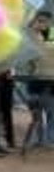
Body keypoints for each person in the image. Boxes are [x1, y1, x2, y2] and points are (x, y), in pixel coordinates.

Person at [23, 10, 54, 147]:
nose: (42, 23)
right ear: (35, 19)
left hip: (51, 78)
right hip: (35, 78)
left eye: (45, 21)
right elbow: (27, 56)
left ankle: (50, 138)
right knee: (35, 110)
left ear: (50, 22)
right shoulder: (30, 34)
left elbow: (48, 52)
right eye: (39, 20)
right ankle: (40, 139)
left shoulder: (52, 34)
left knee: (51, 110)